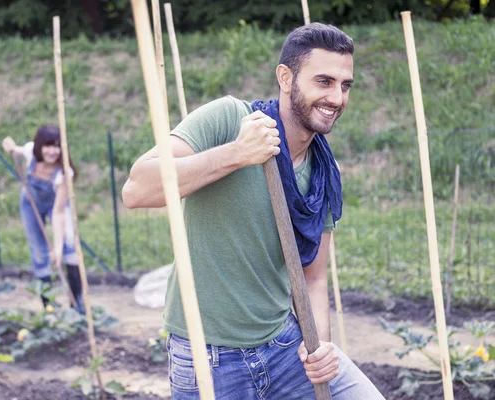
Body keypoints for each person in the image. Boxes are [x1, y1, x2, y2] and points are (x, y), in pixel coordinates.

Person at [122, 23, 384, 399]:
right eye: (324, 81)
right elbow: (136, 188)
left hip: (284, 346)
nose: (337, 97)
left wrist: (320, 347)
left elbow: (313, 278)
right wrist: (235, 154)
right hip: (208, 359)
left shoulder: (325, 172)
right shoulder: (230, 120)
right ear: (285, 77)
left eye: (345, 85)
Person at [2, 124, 85, 315]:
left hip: (57, 205)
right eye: (48, 146)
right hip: (30, 203)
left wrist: (57, 248)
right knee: (39, 252)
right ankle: (49, 307)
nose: (52, 151)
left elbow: (58, 212)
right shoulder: (32, 152)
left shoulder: (64, 173)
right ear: (40, 146)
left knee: (70, 245)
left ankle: (77, 304)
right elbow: (18, 150)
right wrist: (10, 147)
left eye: (57, 146)